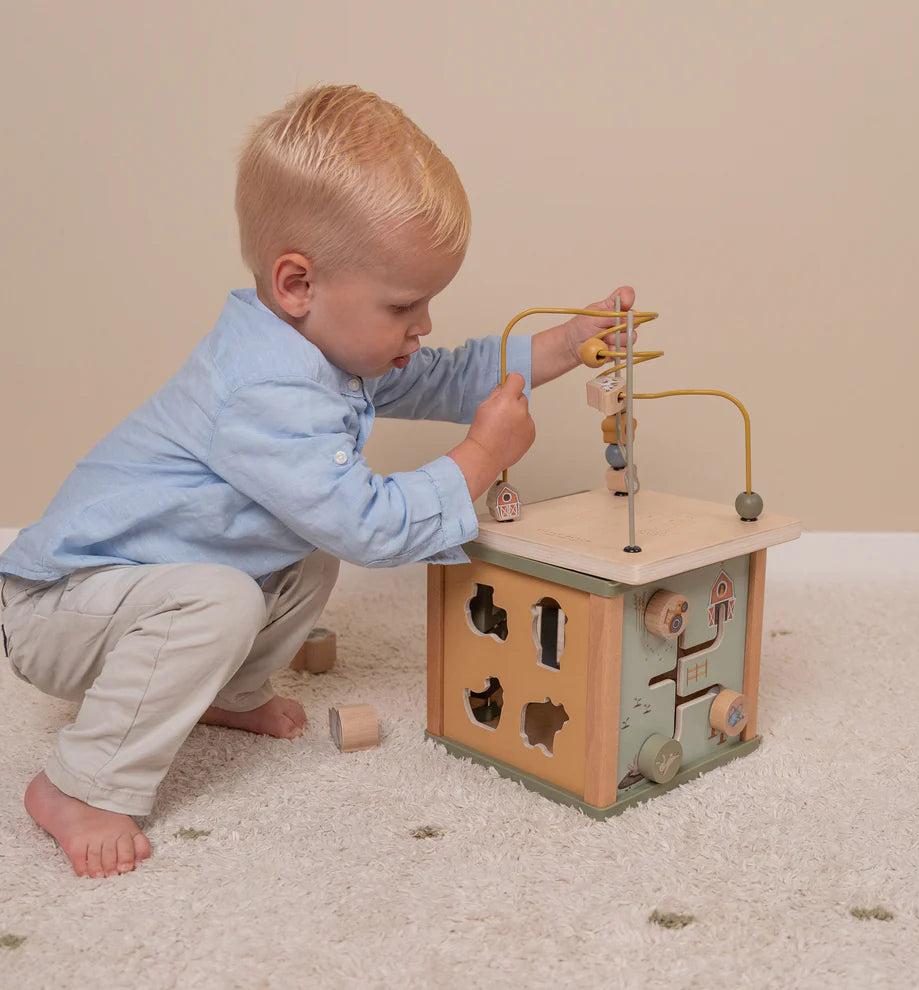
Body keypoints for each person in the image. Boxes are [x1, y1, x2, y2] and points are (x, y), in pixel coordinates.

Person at [0, 84, 634, 878]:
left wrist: (566, 345)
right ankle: (80, 786)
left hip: (142, 588)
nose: (424, 325)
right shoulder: (262, 390)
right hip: (62, 607)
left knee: (304, 556)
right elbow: (369, 525)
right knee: (234, 591)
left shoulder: (329, 353)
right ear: (297, 286)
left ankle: (227, 694)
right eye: (405, 304)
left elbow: (446, 375)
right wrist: (480, 455)